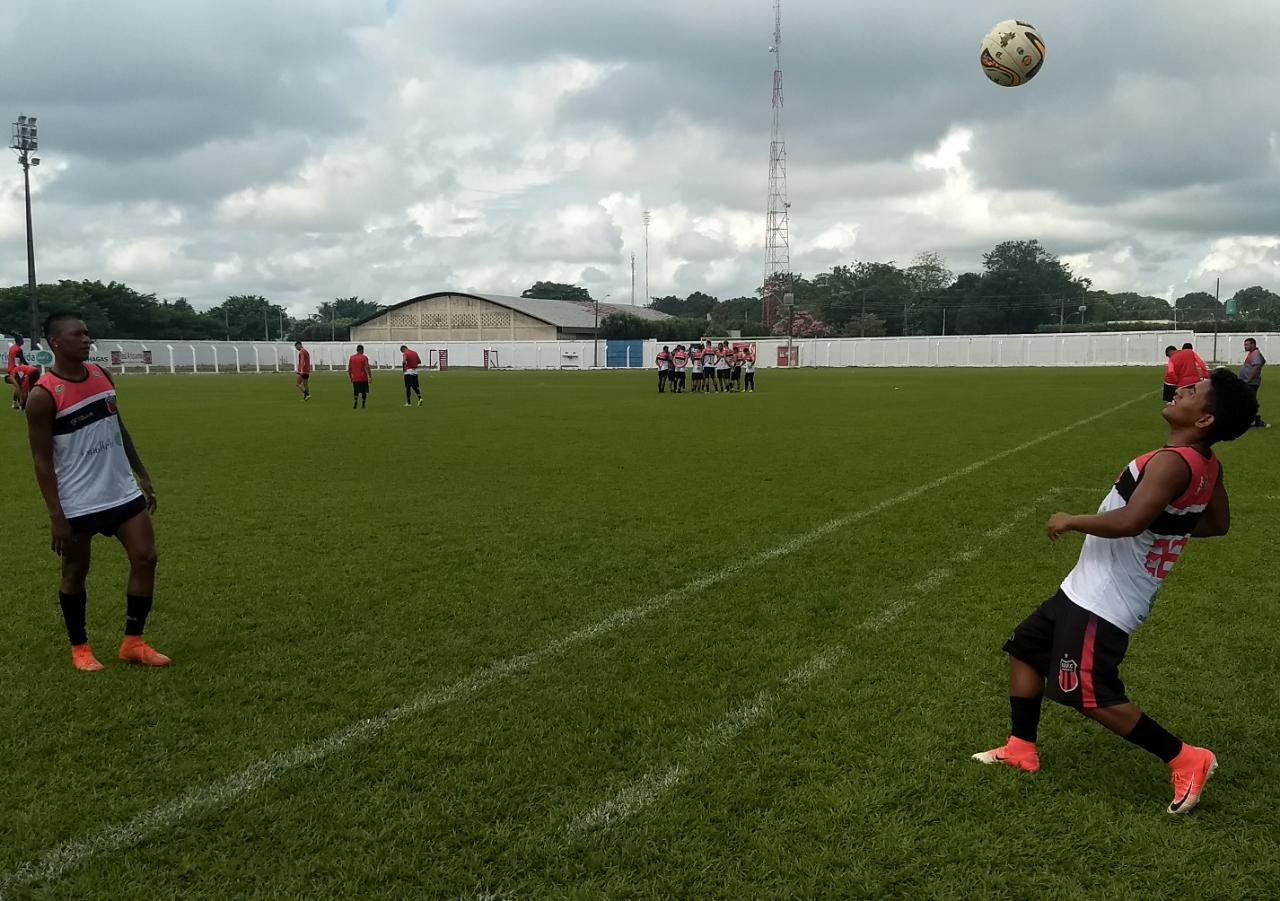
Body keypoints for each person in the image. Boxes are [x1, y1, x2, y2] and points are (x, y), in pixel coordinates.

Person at [973, 370, 1258, 814]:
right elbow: (1216, 524)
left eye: (1194, 391)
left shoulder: (1171, 461)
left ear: (1204, 420)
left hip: (1103, 600)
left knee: (1086, 692)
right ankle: (1020, 748)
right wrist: (1169, 526)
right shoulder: (1206, 464)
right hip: (1084, 589)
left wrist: (1069, 520)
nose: (1182, 390)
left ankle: (1186, 757)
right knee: (1027, 649)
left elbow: (1129, 522)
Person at [25, 312, 169, 672]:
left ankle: (133, 642)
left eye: (88, 334)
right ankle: (80, 648)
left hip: (120, 491)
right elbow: (42, 462)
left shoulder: (102, 376)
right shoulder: (43, 396)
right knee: (75, 572)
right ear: (56, 342)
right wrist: (56, 516)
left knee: (146, 557)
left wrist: (142, 474)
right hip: (78, 500)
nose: (87, 339)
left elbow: (117, 425)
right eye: (78, 335)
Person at [1240, 337, 1267, 428]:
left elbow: (1256, 367)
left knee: (1249, 401)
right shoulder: (1253, 353)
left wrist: (1248, 379)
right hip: (1249, 382)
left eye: (1247, 344)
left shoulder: (1255, 354)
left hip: (1251, 383)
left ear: (1253, 344)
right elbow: (1263, 361)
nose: (1245, 346)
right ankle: (1252, 419)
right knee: (1247, 401)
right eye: (1245, 344)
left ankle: (1253, 421)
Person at [348, 344, 372, 410]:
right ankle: (363, 404)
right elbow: (367, 367)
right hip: (363, 377)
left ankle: (355, 402)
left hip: (355, 377)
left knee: (356, 391)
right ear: (362, 350)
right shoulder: (364, 357)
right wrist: (369, 376)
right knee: (364, 391)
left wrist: (350, 377)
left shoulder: (352, 357)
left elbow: (349, 368)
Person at [7, 334, 27, 410]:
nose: (23, 341)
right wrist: (29, 366)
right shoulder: (18, 349)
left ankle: (15, 403)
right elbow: (22, 360)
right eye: (22, 339)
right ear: (19, 341)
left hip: (11, 369)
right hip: (15, 370)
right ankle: (20, 404)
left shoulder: (12, 348)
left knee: (18, 386)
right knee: (20, 387)